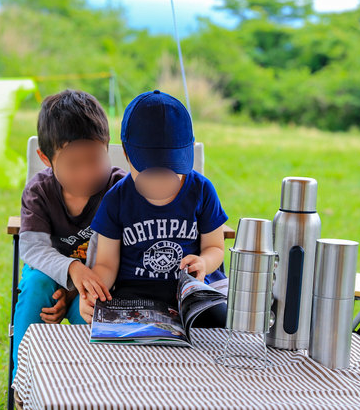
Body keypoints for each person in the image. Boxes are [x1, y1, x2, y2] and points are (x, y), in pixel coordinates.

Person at [79, 90, 228, 323]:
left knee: (220, 321)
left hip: (190, 291)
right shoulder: (116, 199)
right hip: (136, 292)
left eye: (173, 168)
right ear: (126, 154)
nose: (161, 180)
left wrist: (204, 262)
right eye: (150, 171)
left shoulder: (202, 190)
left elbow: (216, 248)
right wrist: (94, 293)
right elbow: (106, 264)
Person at [13, 89, 126, 376]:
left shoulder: (118, 189)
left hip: (99, 283)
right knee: (36, 287)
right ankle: (23, 383)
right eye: (74, 164)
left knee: (87, 311)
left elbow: (119, 254)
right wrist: (71, 271)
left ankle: (85, 395)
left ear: (107, 146)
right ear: (46, 158)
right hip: (49, 273)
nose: (87, 173)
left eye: (95, 159)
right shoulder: (39, 192)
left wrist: (74, 290)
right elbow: (33, 249)